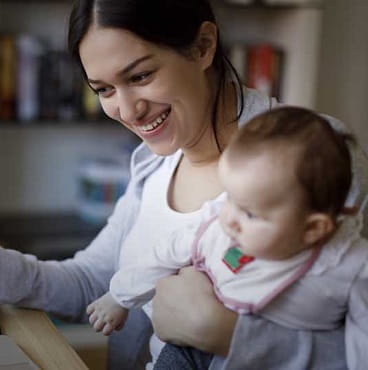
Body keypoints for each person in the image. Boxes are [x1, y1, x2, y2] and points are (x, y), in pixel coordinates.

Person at [0, 0, 367, 369]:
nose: (127, 112)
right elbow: (95, 283)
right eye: (105, 89)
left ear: (203, 46)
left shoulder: (314, 155)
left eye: (140, 76)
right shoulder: (152, 160)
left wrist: (221, 331)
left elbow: (352, 345)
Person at [86, 107, 368, 370]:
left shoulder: (350, 265)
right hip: (189, 351)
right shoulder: (220, 223)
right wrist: (119, 297)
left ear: (313, 229)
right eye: (229, 197)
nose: (228, 217)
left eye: (249, 213)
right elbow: (165, 253)